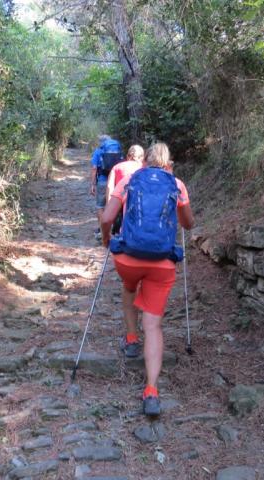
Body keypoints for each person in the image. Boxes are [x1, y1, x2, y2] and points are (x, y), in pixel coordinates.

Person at [100, 142, 194, 416]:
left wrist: (107, 240)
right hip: (162, 263)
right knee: (153, 325)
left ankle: (131, 338)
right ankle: (151, 390)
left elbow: (107, 218)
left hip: (128, 259)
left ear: (144, 162)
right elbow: (188, 224)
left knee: (129, 287)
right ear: (169, 164)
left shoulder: (129, 180)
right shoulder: (177, 184)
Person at [90, 135, 122, 241]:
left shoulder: (98, 151)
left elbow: (94, 168)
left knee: (100, 206)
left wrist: (93, 184)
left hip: (103, 181)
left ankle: (102, 230)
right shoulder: (118, 150)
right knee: (115, 206)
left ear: (101, 142)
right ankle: (115, 230)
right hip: (116, 182)